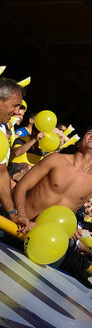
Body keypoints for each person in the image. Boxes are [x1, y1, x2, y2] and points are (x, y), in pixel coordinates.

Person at [0, 78, 27, 228]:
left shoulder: (3, 130)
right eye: (15, 106)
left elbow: (1, 173)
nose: (17, 112)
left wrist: (12, 214)